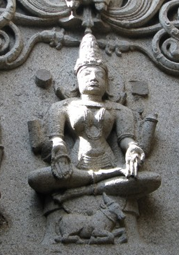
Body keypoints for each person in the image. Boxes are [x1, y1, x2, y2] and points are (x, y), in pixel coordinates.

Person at [28, 31, 160, 203]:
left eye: (99, 74)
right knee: (37, 178)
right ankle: (101, 183)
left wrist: (133, 149)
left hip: (109, 162)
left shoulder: (119, 110)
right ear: (76, 80)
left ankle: (88, 186)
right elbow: (56, 138)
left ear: (107, 82)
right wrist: (59, 151)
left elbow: (126, 140)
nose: (93, 78)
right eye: (87, 74)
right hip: (74, 166)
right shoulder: (62, 106)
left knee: (151, 179)